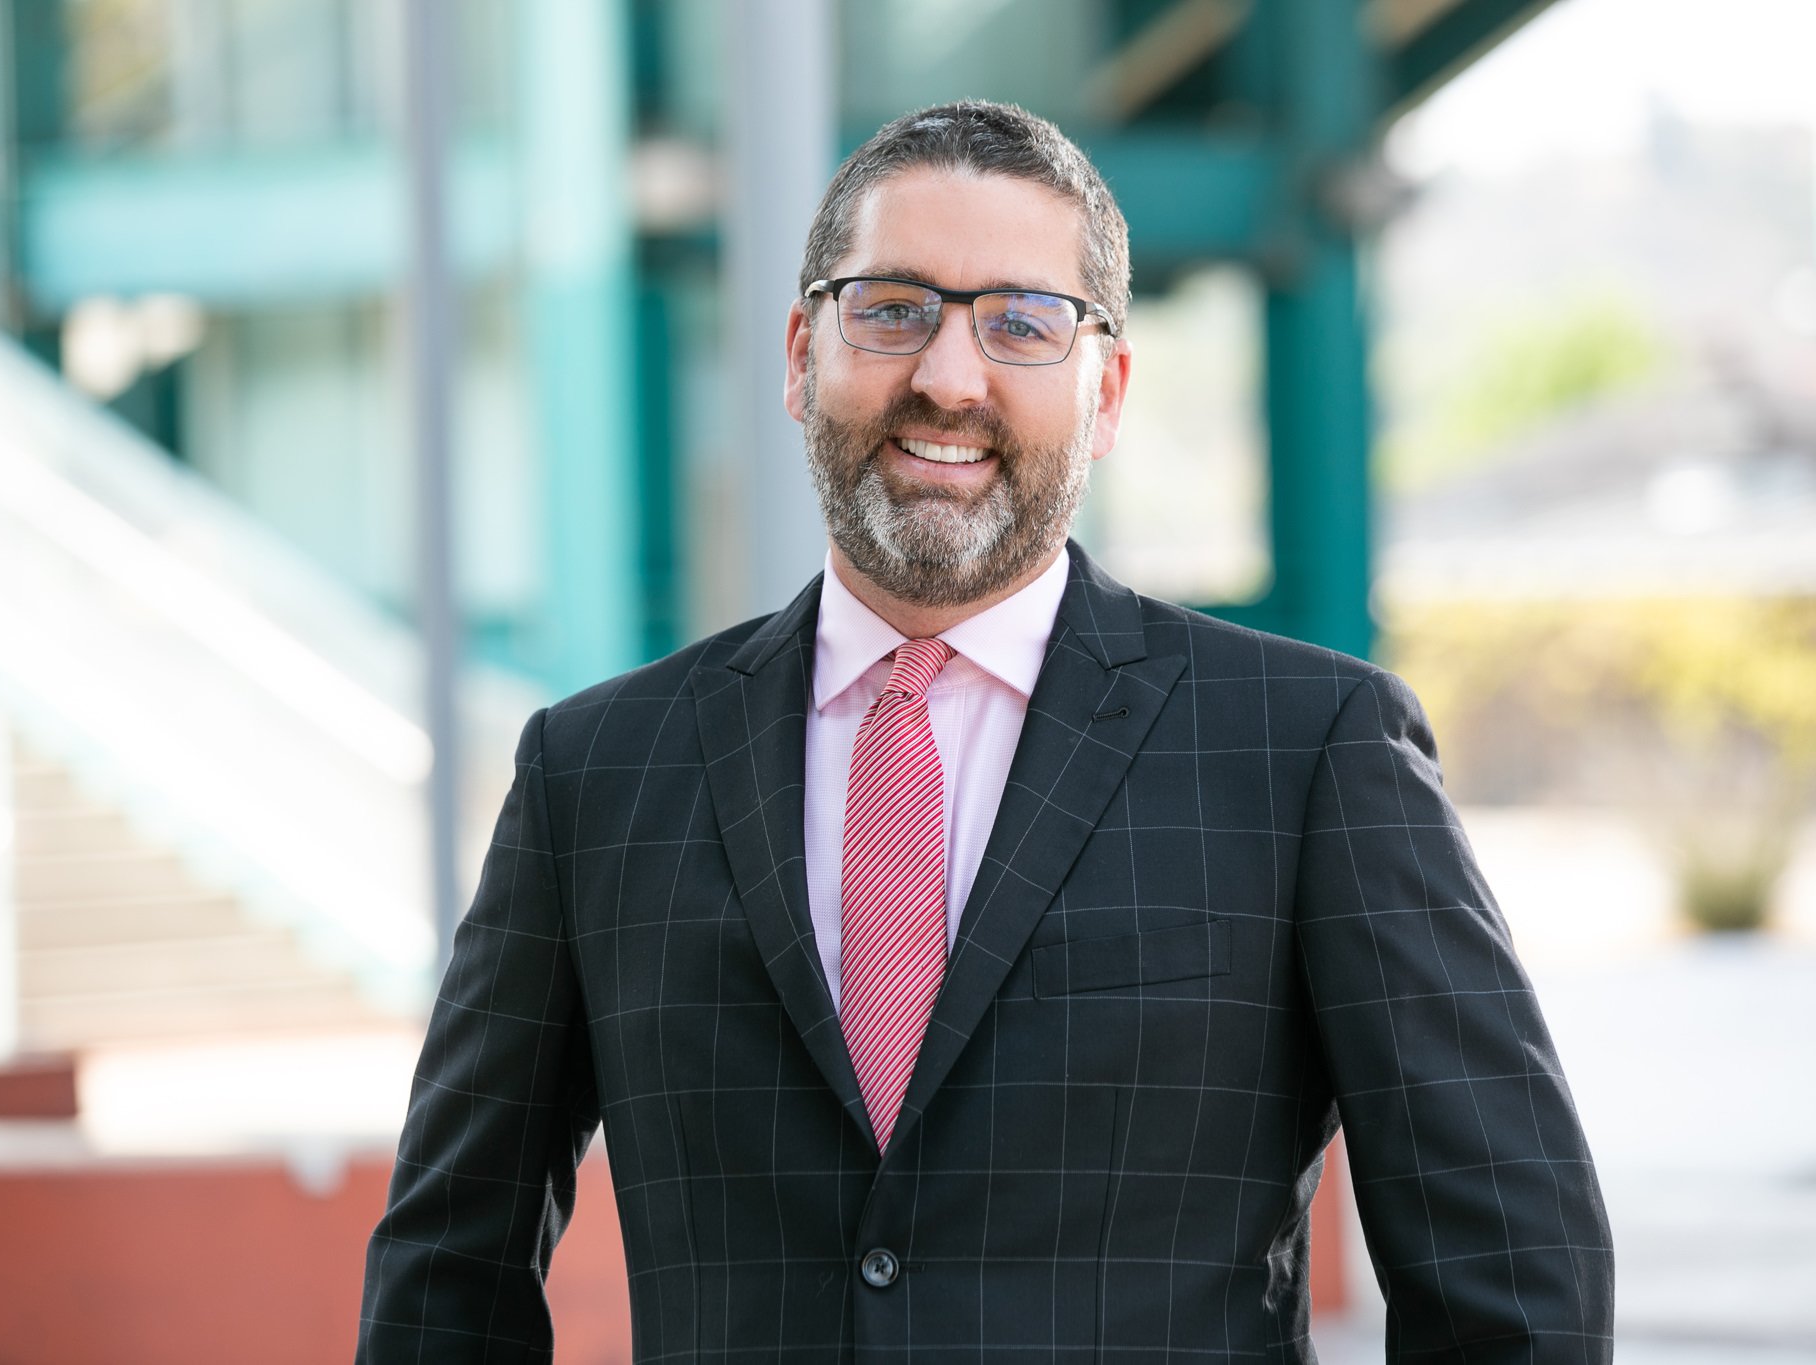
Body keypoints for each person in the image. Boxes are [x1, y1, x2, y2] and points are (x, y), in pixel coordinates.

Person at [358, 100, 1614, 1362]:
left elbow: (1512, 1283)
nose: (947, 379)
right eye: (891, 308)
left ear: (1105, 390)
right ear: (798, 355)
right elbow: (445, 1275)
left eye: (1020, 323)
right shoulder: (594, 775)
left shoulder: (1307, 750)